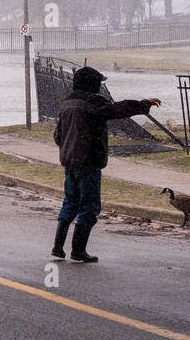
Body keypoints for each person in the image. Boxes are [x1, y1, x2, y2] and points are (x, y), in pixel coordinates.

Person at [51, 66, 161, 263]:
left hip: (70, 163)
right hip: (89, 162)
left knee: (70, 202)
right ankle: (78, 250)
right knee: (90, 206)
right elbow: (117, 109)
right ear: (92, 83)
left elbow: (58, 136)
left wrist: (69, 150)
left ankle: (58, 247)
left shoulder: (67, 103)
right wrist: (143, 104)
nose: (101, 87)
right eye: (99, 83)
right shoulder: (92, 102)